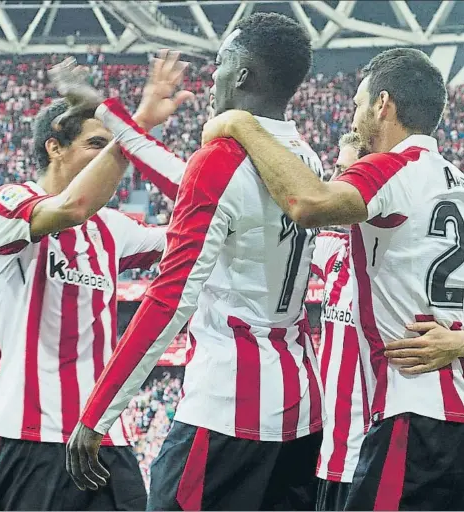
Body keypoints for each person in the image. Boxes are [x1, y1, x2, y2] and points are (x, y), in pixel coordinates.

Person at [68, 13, 327, 510]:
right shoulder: (304, 159)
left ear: (245, 74)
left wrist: (98, 412)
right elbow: (183, 179)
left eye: (223, 62)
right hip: (299, 409)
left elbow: (169, 299)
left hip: (228, 410)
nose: (213, 76)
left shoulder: (223, 160)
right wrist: (110, 112)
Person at [202, 48, 464, 510]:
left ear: (383, 104)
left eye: (360, 104)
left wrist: (242, 125)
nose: (356, 115)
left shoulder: (393, 168)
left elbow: (308, 204)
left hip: (417, 414)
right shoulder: (456, 183)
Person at [0, 54, 193, 511]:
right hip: (31, 436)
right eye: (97, 143)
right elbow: (71, 208)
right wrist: (133, 128)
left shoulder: (112, 227)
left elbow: (192, 234)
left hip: (104, 437)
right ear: (55, 147)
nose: (113, 155)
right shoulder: (9, 204)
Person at [311, 133, 365, 512]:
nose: (335, 182)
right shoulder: (335, 250)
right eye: (336, 169)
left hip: (370, 460)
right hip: (326, 455)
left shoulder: (405, 257)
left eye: (347, 171)